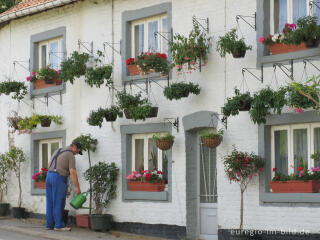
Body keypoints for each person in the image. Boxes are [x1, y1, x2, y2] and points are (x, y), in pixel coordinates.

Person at [46, 139, 82, 231]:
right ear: (74, 147)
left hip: (49, 176)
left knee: (50, 202)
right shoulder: (70, 155)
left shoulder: (58, 150)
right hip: (58, 177)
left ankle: (49, 224)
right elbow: (72, 171)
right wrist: (77, 187)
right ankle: (59, 225)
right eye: (77, 151)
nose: (77, 154)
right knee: (59, 201)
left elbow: (49, 163)